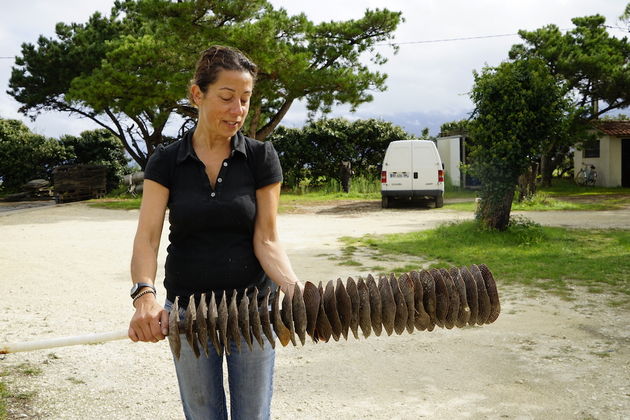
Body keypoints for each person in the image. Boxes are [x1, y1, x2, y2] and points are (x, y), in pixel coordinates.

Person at [127, 45, 300, 420]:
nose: (237, 110)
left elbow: (267, 239)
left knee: (253, 415)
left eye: (245, 99)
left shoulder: (260, 157)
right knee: (202, 415)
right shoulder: (166, 160)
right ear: (197, 94)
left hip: (252, 310)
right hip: (188, 311)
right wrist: (145, 296)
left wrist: (295, 291)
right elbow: (148, 237)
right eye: (226, 97)